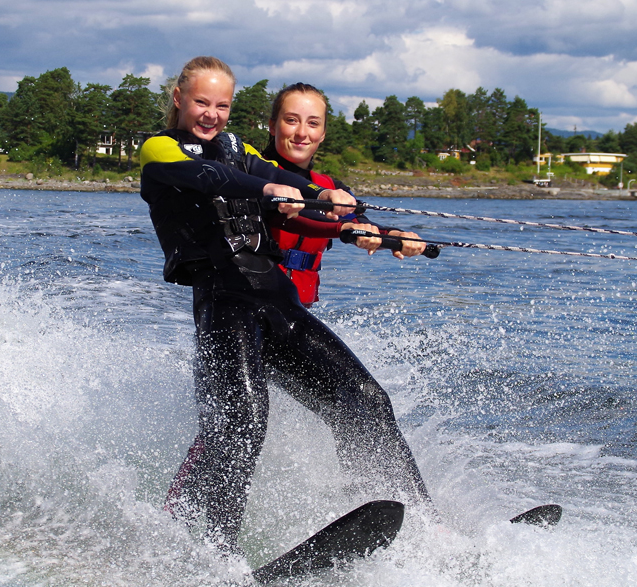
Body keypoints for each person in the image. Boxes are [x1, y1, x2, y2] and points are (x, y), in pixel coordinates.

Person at [140, 57, 433, 556]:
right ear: (178, 98)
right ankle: (217, 557)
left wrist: (333, 200)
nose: (211, 114)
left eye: (222, 105)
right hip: (224, 303)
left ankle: (424, 528)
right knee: (243, 420)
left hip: (278, 302)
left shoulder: (240, 149)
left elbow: (279, 175)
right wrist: (270, 191)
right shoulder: (159, 148)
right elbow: (209, 176)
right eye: (201, 102)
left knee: (366, 400)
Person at [262, 82, 426, 306]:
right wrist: (345, 229)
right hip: (250, 298)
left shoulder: (332, 188)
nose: (301, 132)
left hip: (298, 304)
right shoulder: (252, 177)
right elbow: (297, 220)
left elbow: (358, 223)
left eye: (313, 123)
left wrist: (396, 236)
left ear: (323, 134)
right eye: (291, 120)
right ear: (272, 126)